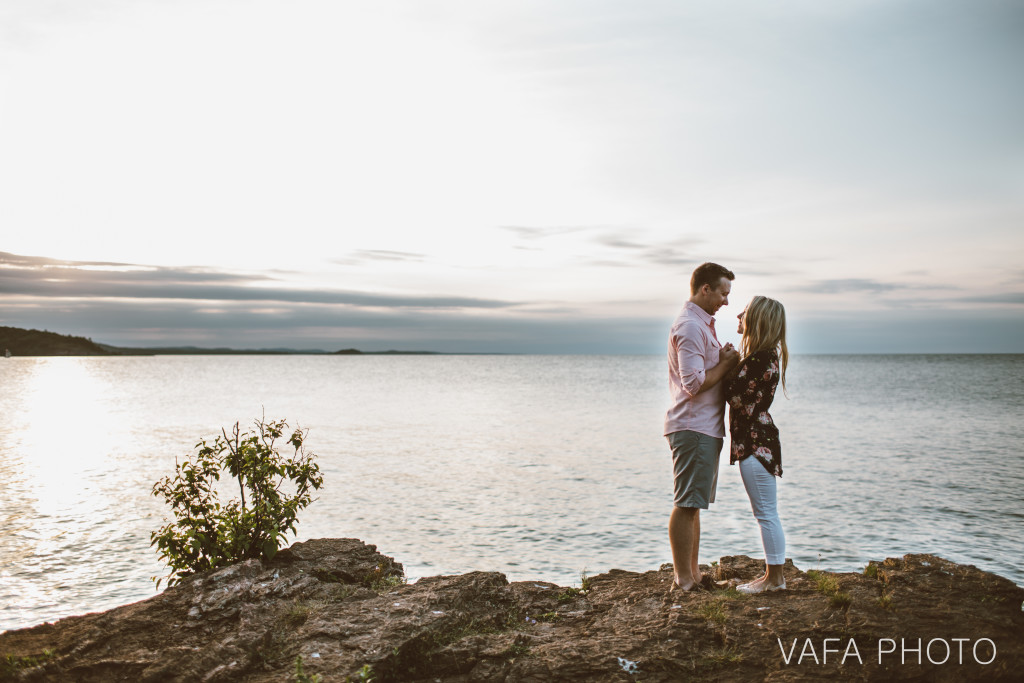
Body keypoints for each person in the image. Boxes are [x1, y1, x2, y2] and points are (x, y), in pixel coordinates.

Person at [665, 262, 739, 591]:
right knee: (686, 503)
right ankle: (683, 581)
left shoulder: (702, 325)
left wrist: (720, 357)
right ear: (705, 289)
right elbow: (693, 384)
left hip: (704, 427)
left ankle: (694, 576)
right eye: (723, 293)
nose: (726, 301)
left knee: (694, 504)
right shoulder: (691, 326)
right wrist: (724, 365)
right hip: (693, 427)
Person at [725, 295, 789, 593]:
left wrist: (724, 364)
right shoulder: (760, 356)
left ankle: (774, 579)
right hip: (755, 441)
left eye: (746, 312)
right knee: (765, 512)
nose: (739, 314)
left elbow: (734, 396)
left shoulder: (761, 358)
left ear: (758, 320)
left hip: (755, 443)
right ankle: (772, 576)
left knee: (765, 513)